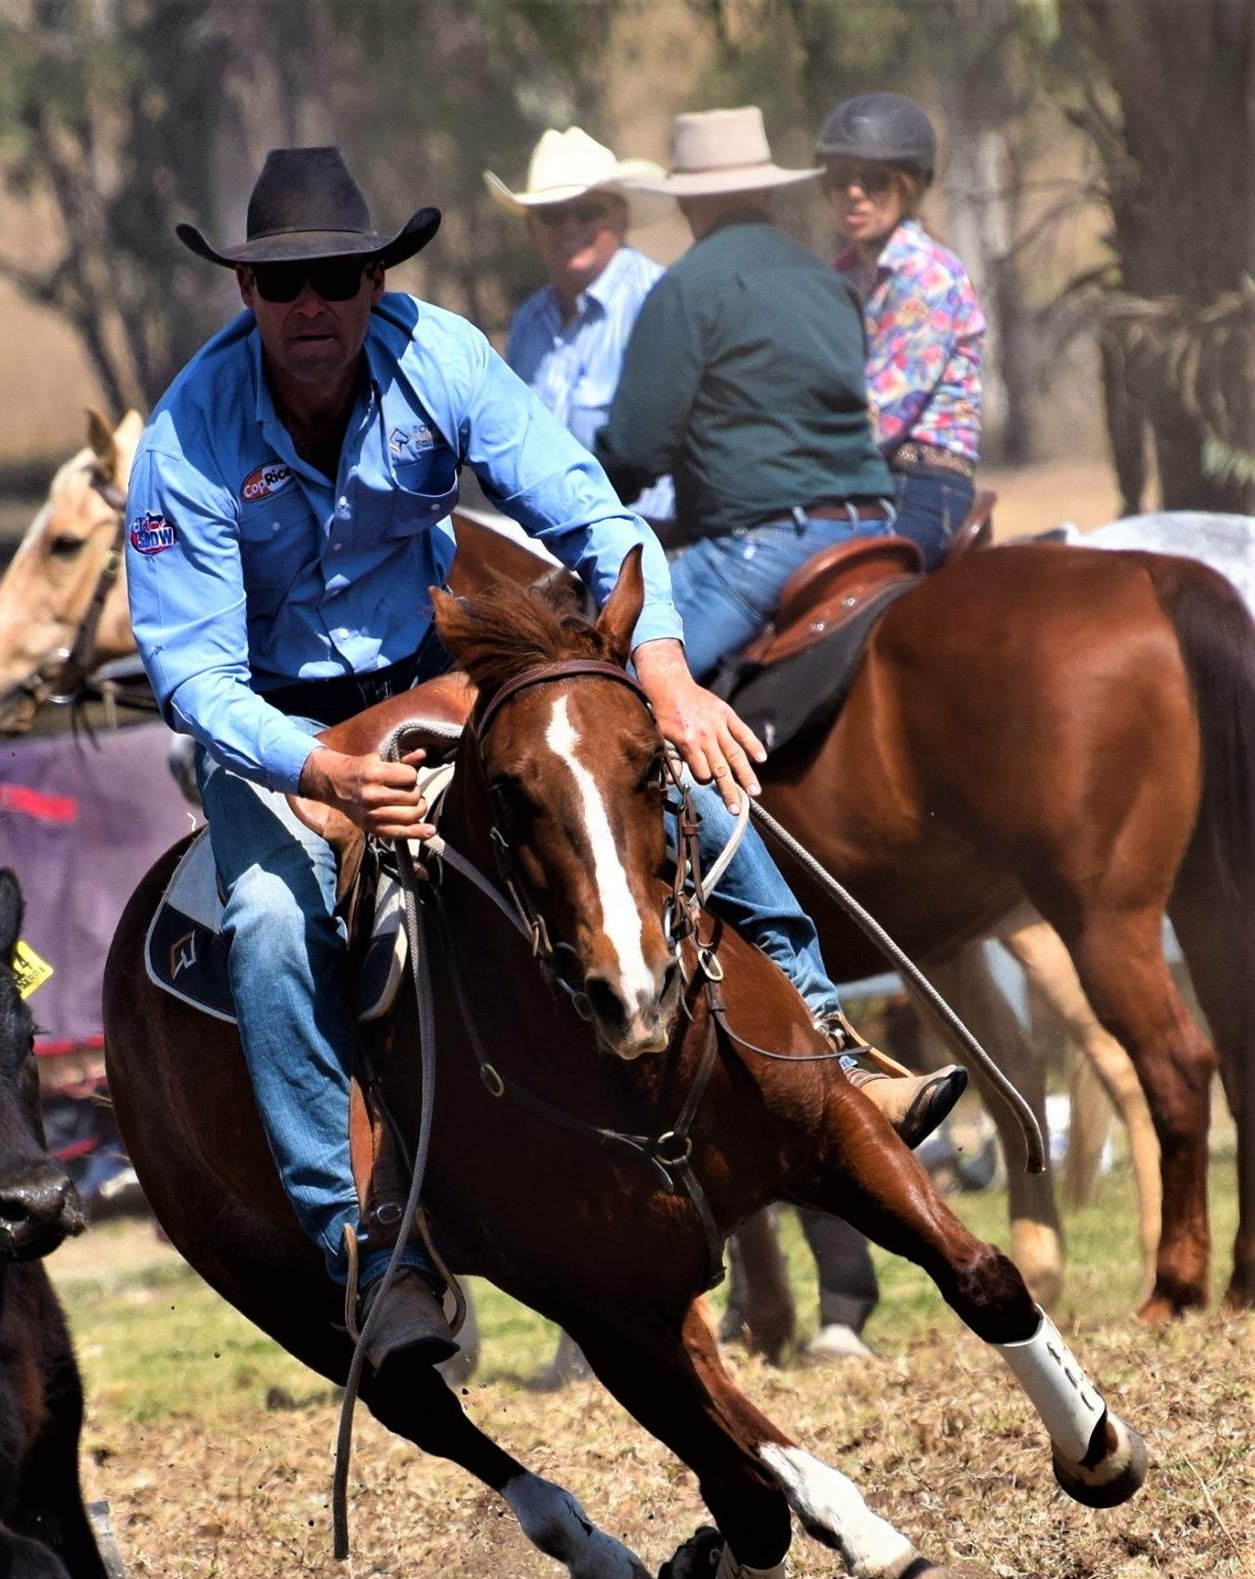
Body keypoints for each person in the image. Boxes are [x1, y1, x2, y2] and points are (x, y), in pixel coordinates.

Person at [126, 147, 964, 1371]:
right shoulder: (186, 438)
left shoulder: (443, 358)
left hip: (439, 671)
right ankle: (367, 1242)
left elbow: (593, 515)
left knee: (661, 767)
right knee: (262, 919)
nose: (311, 306)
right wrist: (319, 773)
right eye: (283, 285)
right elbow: (191, 674)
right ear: (244, 292)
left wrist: (665, 672)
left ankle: (831, 1051)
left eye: (338, 278)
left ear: (374, 282)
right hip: (280, 724)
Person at [599, 107, 897, 679]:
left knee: (622, 689)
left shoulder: (686, 288)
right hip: (876, 530)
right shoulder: (830, 281)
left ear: (688, 201)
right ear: (766, 191)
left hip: (761, 548)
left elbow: (636, 450)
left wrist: (581, 504)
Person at [817, 93, 986, 570]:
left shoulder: (929, 277)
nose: (853, 193)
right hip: (861, 481)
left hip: (922, 485)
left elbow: (879, 418)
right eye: (839, 178)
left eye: (873, 180)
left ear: (908, 186)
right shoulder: (841, 277)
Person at [488, 127, 674, 524]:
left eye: (588, 211)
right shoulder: (527, 324)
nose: (569, 227)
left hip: (650, 540)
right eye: (552, 214)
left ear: (622, 218)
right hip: (545, 541)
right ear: (532, 229)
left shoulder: (661, 303)